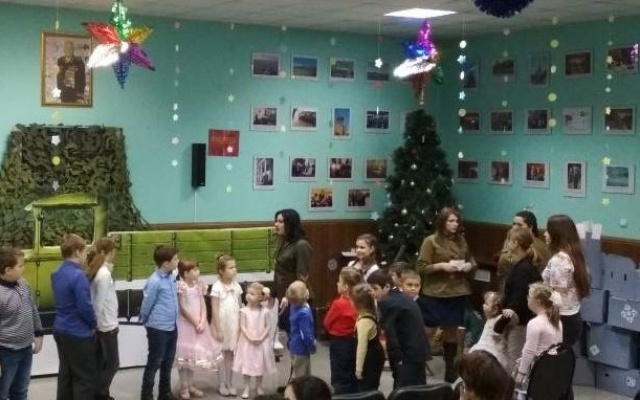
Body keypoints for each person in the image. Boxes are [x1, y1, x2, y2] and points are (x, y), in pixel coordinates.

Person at [416, 207, 476, 382]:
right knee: (428, 330)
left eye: (457, 221)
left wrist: (469, 266)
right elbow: (421, 267)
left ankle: (450, 370)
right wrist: (441, 266)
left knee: (452, 331)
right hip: (435, 293)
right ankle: (417, 366)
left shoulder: (462, 241)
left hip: (457, 292)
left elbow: (471, 260)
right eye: (451, 221)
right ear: (442, 222)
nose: (455, 224)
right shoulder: (430, 241)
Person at [51, 234, 97, 400]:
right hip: (78, 332)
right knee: (84, 378)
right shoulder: (79, 276)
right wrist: (93, 323)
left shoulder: (56, 273)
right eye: (85, 251)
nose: (86, 255)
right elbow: (85, 306)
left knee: (66, 373)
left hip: (60, 329)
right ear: (77, 252)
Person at [367, 269, 427, 388]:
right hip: (418, 350)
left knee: (403, 391)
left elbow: (391, 334)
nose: (372, 293)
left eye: (375, 288)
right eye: (370, 289)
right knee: (418, 389)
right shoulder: (400, 297)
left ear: (387, 287)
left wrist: (397, 359)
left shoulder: (387, 302)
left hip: (407, 354)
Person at [0, 247, 43, 400]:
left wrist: (39, 333)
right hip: (6, 352)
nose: (24, 268)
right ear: (8, 270)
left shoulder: (23, 283)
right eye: (20, 265)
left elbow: (32, 309)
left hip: (25, 349)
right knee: (2, 392)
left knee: (20, 391)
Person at [175, 260, 221, 400]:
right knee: (185, 358)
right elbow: (183, 307)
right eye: (194, 270)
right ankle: (184, 386)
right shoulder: (181, 286)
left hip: (200, 324)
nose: (198, 272)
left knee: (193, 357)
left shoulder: (199, 285)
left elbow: (203, 304)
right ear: (186, 273)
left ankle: (191, 384)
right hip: (186, 326)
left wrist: (202, 320)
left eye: (197, 269)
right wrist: (195, 322)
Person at [139, 245, 180, 400]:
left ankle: (165, 393)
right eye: (175, 259)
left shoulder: (171, 276)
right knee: (155, 361)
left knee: (168, 362)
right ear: (166, 264)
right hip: (158, 328)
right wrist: (145, 320)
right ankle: (146, 395)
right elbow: (147, 304)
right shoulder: (154, 281)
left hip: (172, 326)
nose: (178, 261)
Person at [542, 214, 589, 346]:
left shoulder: (559, 260)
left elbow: (556, 294)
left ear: (557, 234)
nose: (545, 234)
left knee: (556, 356)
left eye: (548, 231)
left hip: (561, 318)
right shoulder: (574, 254)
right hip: (572, 315)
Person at [500, 227, 542, 369]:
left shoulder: (524, 269)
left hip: (520, 321)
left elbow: (518, 297)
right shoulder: (523, 265)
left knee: (514, 359)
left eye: (509, 240)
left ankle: (514, 384)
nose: (507, 243)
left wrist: (505, 319)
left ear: (515, 243)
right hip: (521, 319)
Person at [87, 237, 120, 400]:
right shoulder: (104, 274)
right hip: (106, 325)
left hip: (103, 323)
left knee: (100, 362)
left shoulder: (99, 270)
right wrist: (95, 323)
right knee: (113, 363)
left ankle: (100, 393)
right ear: (110, 253)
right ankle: (100, 393)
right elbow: (99, 303)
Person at [232, 282, 277, 399]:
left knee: (259, 365)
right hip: (247, 342)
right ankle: (246, 387)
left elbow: (268, 326)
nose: (248, 295)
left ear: (260, 297)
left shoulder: (265, 311)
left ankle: (259, 386)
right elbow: (242, 326)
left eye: (252, 294)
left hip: (261, 342)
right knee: (247, 365)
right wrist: (250, 337)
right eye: (248, 293)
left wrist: (261, 337)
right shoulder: (244, 311)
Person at [515, 283, 563, 389]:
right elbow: (558, 347)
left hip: (537, 370)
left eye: (529, 296)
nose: (527, 299)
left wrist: (521, 373)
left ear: (538, 301)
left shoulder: (535, 323)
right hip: (553, 369)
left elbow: (529, 351)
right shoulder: (557, 321)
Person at [322, 266, 362, 394]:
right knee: (352, 371)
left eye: (339, 281)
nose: (337, 283)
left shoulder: (338, 304)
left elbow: (327, 322)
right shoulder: (360, 302)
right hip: (356, 340)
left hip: (339, 343)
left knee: (340, 372)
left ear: (345, 287)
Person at [273, 209, 312, 334]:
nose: (276, 224)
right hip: (283, 296)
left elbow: (302, 276)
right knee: (289, 335)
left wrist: (289, 297)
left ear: (290, 224)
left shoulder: (301, 245)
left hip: (295, 299)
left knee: (296, 336)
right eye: (276, 221)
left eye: (280, 221)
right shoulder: (284, 242)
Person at [210, 254, 243, 396]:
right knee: (221, 355)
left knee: (230, 354)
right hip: (222, 324)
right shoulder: (217, 287)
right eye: (231, 268)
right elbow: (214, 309)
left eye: (235, 267)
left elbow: (240, 306)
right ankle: (221, 383)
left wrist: (241, 326)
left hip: (233, 324)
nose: (234, 270)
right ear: (221, 271)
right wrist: (218, 329)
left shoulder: (237, 286)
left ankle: (230, 382)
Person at [497, 211, 551, 289]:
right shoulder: (510, 239)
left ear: (530, 227)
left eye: (519, 225)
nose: (515, 227)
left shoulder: (539, 246)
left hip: (528, 286)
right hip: (506, 282)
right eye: (514, 224)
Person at [351, 283, 385, 392]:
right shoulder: (370, 314)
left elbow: (362, 347)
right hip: (376, 353)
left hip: (371, 358)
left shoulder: (364, 322)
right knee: (372, 385)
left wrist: (358, 369)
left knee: (367, 388)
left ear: (357, 303)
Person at [468, 292, 508, 369]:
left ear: (495, 309)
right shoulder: (489, 319)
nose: (483, 305)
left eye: (486, 304)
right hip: (482, 347)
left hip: (493, 350)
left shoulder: (499, 319)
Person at [287, 280, 316, 378]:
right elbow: (306, 334)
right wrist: (312, 346)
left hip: (294, 346)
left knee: (302, 372)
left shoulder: (293, 307)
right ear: (305, 294)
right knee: (299, 377)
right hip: (302, 349)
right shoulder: (304, 314)